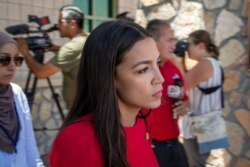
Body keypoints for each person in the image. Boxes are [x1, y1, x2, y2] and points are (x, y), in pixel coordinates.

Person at [49, 20, 164, 167]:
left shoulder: (143, 119)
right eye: (143, 70)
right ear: (108, 76)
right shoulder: (79, 139)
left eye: (158, 63)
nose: (160, 78)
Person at [17, 5, 87, 109]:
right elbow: (74, 57)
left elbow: (41, 73)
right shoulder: (86, 39)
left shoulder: (72, 47)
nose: (57, 26)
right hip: (88, 104)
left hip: (79, 110)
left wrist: (25, 52)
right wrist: (52, 47)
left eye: (60, 22)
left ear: (72, 23)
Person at [179, 29, 228, 167]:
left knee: (196, 164)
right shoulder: (216, 63)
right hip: (209, 124)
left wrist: (176, 60)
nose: (187, 49)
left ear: (200, 46)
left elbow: (183, 84)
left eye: (189, 45)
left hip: (198, 128)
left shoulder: (205, 64)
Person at [146, 19, 189, 167]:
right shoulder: (142, 70)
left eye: (174, 40)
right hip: (151, 146)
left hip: (174, 143)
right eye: (169, 40)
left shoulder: (174, 68)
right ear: (154, 41)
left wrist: (184, 105)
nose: (174, 45)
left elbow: (185, 98)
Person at [0, 31, 44, 166]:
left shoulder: (16, 93)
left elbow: (29, 146)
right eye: (4, 59)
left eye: (17, 59)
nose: (12, 66)